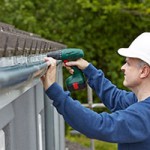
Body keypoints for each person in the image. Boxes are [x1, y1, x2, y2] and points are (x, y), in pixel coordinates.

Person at [41, 32, 150, 150]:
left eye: (128, 63)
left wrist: (54, 90)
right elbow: (115, 98)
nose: (122, 67)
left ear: (144, 71)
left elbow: (99, 125)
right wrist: (88, 70)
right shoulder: (138, 101)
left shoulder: (143, 115)